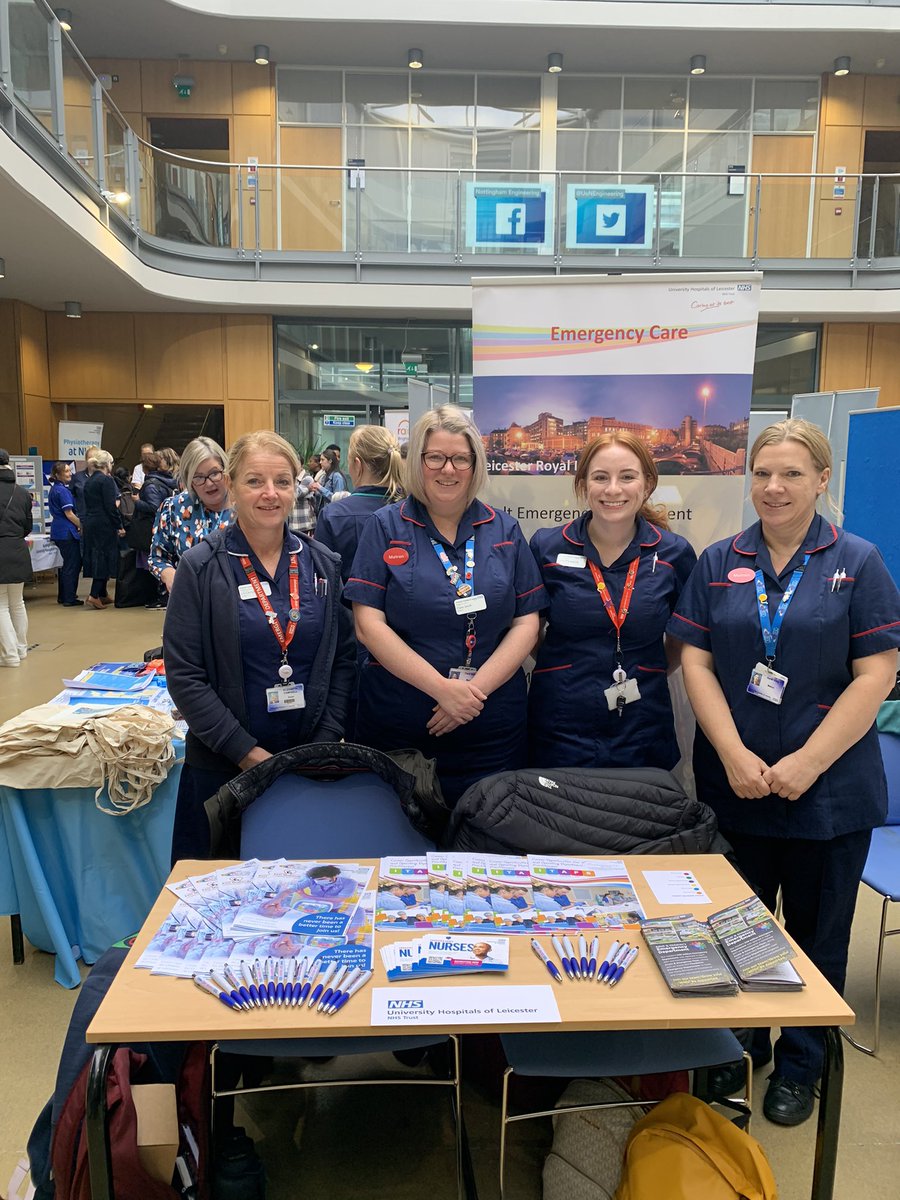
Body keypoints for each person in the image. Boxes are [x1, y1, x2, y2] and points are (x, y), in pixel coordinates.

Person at [668, 418, 900, 1127]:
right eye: (763, 472)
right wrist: (734, 754)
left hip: (828, 790)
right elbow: (695, 662)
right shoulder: (717, 561)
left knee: (818, 937)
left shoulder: (858, 562)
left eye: (792, 474)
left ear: (822, 480)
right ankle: (739, 1052)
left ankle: (803, 1062)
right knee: (733, 932)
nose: (773, 487)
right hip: (735, 785)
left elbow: (878, 674)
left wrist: (806, 762)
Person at [163, 430, 355, 863]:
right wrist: (247, 754)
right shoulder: (201, 567)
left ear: (297, 488)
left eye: (282, 481)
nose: (270, 494)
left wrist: (320, 746)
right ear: (230, 486)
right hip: (222, 769)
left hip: (308, 767)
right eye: (255, 481)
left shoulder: (323, 564)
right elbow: (185, 676)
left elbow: (343, 662)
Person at [345, 405, 545, 805]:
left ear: (475, 464)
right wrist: (441, 690)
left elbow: (527, 623)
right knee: (400, 853)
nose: (447, 469)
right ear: (417, 461)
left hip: (490, 731)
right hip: (401, 729)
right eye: (435, 457)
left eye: (460, 458)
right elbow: (368, 625)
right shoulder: (385, 527)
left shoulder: (504, 530)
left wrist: (470, 695)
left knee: (488, 848)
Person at [528, 432, 697, 770]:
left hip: (642, 726)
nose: (613, 489)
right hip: (560, 726)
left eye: (627, 477)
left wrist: (648, 670)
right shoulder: (546, 548)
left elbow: (682, 639)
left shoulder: (673, 553)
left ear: (647, 484)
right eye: (600, 477)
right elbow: (529, 631)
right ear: (583, 484)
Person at [316, 425, 404, 583]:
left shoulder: (333, 515)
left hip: (348, 605)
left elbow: (324, 580)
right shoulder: (411, 510)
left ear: (357, 464)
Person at [148, 435, 233, 596]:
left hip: (238, 603)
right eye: (199, 477)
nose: (208, 483)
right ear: (189, 479)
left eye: (214, 473)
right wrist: (169, 575)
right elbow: (157, 557)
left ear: (225, 470)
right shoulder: (174, 507)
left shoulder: (245, 505)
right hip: (190, 601)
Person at [0, 448, 34, 666]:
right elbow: (27, 526)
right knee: (17, 603)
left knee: (1, 605)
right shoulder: (21, 492)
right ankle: (21, 649)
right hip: (18, 549)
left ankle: (9, 655)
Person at [80, 450, 125, 609]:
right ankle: (94, 594)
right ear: (107, 464)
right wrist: (118, 525)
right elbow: (110, 507)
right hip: (104, 524)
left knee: (96, 555)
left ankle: (103, 593)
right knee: (104, 557)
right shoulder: (106, 481)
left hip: (91, 522)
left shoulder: (89, 481)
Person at [135, 448, 180, 608]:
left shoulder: (152, 484)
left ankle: (162, 597)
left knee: (156, 559)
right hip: (168, 526)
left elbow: (154, 506)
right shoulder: (171, 481)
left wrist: (136, 502)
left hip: (154, 527)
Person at [47, 461, 83, 607]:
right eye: (66, 471)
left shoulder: (55, 489)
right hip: (67, 531)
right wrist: (82, 526)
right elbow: (69, 513)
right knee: (72, 565)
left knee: (66, 565)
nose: (70, 474)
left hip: (59, 530)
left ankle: (63, 595)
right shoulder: (62, 491)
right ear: (57, 475)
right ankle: (69, 598)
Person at [288, 456, 320, 538]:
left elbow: (295, 494)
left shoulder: (307, 478)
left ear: (301, 465)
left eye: (296, 463)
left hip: (305, 522)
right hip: (293, 522)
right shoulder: (292, 478)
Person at [70, 446, 100, 517]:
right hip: (82, 519)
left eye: (95, 458)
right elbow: (70, 497)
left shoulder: (106, 478)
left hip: (100, 521)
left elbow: (116, 499)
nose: (92, 461)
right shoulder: (77, 477)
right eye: (90, 458)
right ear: (86, 460)